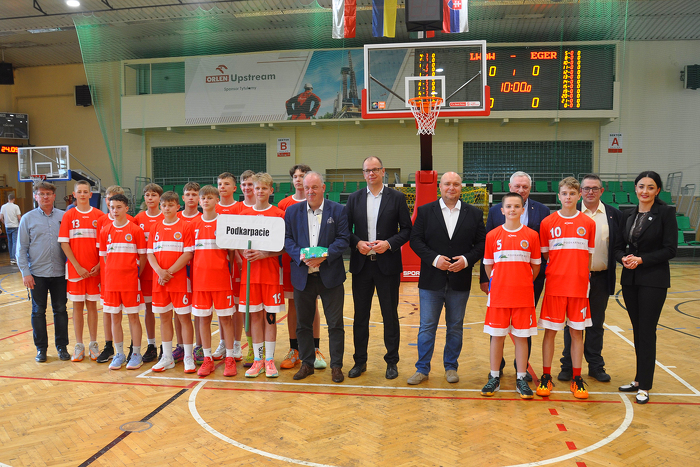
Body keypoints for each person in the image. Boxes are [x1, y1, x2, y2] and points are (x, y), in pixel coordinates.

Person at [407, 172, 486, 385]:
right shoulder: (425, 211)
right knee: (427, 327)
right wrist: (435, 259)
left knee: (455, 327)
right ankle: (422, 369)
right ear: (440, 187)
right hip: (431, 280)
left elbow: (482, 244)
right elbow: (415, 240)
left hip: (460, 281)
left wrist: (466, 260)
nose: (452, 187)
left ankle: (451, 367)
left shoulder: (474, 214)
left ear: (461, 188)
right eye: (447, 184)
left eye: (456, 184)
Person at [344, 156, 412, 380]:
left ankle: (392, 362)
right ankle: (359, 361)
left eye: (375, 169)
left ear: (383, 171)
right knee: (360, 316)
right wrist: (357, 243)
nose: (371, 173)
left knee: (390, 316)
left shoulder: (397, 198)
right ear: (363, 174)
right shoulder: (354, 198)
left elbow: (407, 230)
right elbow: (345, 230)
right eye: (367, 170)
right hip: (362, 266)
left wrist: (389, 244)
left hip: (387, 265)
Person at [480, 171, 550, 381]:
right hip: (500, 283)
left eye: (525, 187)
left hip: (528, 283)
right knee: (497, 330)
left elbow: (539, 255)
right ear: (510, 187)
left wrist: (528, 279)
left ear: (530, 188)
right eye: (517, 186)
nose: (521, 190)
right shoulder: (495, 211)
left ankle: (522, 370)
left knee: (523, 329)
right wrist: (488, 280)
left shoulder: (543, 210)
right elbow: (488, 252)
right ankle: (497, 368)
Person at [614, 171, 677, 404]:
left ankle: (645, 386)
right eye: (641, 186)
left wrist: (641, 260)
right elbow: (618, 247)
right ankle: (639, 379)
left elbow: (670, 249)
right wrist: (623, 258)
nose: (645, 191)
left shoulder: (666, 213)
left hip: (653, 280)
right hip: (630, 280)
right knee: (638, 331)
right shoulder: (628, 215)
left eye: (650, 187)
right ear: (635, 188)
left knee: (647, 331)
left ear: (657, 190)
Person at [285, 171, 350, 383]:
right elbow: (287, 240)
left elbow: (343, 239)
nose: (310, 191)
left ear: (323, 188)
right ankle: (307, 364)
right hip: (303, 276)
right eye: (307, 188)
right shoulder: (292, 211)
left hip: (330, 276)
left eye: (314, 187)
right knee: (303, 324)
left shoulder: (338, 210)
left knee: (335, 324)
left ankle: (336, 366)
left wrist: (325, 255)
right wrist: (302, 256)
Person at [558, 174, 622, 383]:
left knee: (596, 324)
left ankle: (595, 366)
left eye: (595, 188)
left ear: (601, 191)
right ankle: (568, 366)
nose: (590, 192)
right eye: (586, 188)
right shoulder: (570, 213)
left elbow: (618, 246)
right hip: (574, 279)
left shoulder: (614, 215)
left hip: (600, 277)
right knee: (572, 324)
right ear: (580, 192)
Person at [536, 177, 596, 400]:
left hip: (579, 287)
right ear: (559, 196)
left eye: (572, 193)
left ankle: (577, 378)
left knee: (576, 333)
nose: (568, 197)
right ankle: (546, 376)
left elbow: (589, 256)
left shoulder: (588, 223)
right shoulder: (547, 223)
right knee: (550, 332)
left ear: (579, 195)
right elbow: (546, 255)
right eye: (564, 193)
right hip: (555, 286)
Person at [277, 164, 327, 371]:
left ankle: (315, 349)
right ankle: (294, 349)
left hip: (315, 263)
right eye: (295, 176)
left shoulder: (317, 203)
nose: (298, 179)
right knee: (293, 306)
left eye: (302, 176)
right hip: (293, 263)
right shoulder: (284, 204)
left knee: (312, 305)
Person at [239, 173, 285, 378]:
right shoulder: (244, 216)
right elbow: (236, 243)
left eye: (264, 188)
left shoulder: (279, 215)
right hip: (250, 276)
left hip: (271, 275)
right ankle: (258, 360)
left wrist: (265, 254)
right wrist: (243, 252)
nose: (260, 191)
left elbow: (285, 246)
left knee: (270, 317)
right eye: (257, 188)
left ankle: (269, 360)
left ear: (271, 190)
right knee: (255, 316)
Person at [17, 182, 68, 362]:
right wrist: (25, 272)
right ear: (36, 196)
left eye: (48, 194)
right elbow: (21, 248)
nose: (45, 197)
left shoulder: (64, 216)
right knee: (38, 311)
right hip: (37, 274)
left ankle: (62, 347)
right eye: (41, 194)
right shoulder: (27, 219)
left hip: (60, 273)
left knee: (60, 310)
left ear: (54, 196)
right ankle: (41, 349)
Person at [191, 185, 237, 378]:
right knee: (203, 319)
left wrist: (224, 268)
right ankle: (207, 358)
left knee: (225, 319)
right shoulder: (193, 225)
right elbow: (190, 254)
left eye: (210, 198)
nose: (206, 201)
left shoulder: (224, 223)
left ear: (217, 200)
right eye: (203, 198)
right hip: (200, 282)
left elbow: (232, 253)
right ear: (199, 201)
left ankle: (230, 358)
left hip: (221, 281)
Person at [147, 191, 195, 373]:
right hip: (159, 281)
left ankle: (188, 356)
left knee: (184, 318)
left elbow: (188, 253)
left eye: (170, 205)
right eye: (164, 205)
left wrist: (169, 272)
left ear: (178, 207)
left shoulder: (185, 226)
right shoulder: (155, 227)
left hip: (179, 281)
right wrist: (160, 272)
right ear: (161, 206)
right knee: (164, 318)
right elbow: (150, 253)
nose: (167, 208)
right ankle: (167, 357)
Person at [58, 180, 105, 362]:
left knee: (92, 306)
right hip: (75, 270)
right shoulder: (69, 215)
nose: (83, 194)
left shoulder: (99, 216)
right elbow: (64, 244)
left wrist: (99, 265)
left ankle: (93, 344)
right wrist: (77, 266)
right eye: (80, 191)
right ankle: (79, 345)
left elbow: (104, 245)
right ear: (74, 194)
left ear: (91, 195)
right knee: (77, 307)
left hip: (94, 271)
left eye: (86, 191)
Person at [99, 194, 147, 370]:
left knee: (133, 317)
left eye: (119, 207)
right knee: (115, 318)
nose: (115, 210)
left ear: (126, 209)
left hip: (130, 282)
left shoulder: (135, 230)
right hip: (112, 283)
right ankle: (119, 354)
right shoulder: (105, 231)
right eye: (112, 207)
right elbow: (105, 258)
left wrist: (134, 274)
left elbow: (143, 257)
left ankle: (136, 354)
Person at [94, 186, 135, 363]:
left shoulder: (132, 223)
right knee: (109, 312)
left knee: (132, 314)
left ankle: (134, 349)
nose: (115, 208)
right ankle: (110, 346)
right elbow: (102, 252)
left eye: (118, 202)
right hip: (109, 276)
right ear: (107, 201)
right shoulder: (102, 222)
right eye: (110, 200)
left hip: (128, 277)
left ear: (125, 205)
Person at [134, 183, 164, 363]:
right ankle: (151, 344)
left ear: (160, 198)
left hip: (163, 271)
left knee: (167, 311)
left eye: (154, 195)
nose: (150, 198)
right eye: (147, 195)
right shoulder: (138, 218)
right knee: (149, 309)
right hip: (145, 271)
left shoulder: (166, 216)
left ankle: (168, 346)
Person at [213, 172, 241, 364]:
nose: (222, 187)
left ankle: (236, 343)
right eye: (220, 184)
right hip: (219, 266)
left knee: (236, 306)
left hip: (236, 264)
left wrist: (237, 257)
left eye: (226, 184)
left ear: (234, 188)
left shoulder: (240, 208)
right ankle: (223, 342)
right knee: (221, 307)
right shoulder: (213, 207)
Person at [178, 182, 202, 364]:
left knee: (200, 311)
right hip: (179, 271)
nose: (191, 197)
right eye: (188, 194)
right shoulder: (175, 218)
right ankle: (180, 346)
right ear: (183, 197)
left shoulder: (203, 218)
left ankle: (199, 346)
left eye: (195, 194)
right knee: (179, 311)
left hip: (198, 270)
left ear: (199, 198)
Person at [1, 192, 22, 265]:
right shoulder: (16, 207)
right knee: (15, 242)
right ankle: (14, 258)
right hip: (15, 225)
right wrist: (22, 224)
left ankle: (11, 257)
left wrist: (4, 223)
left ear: (8, 199)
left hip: (7, 226)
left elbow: (1, 217)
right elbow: (19, 217)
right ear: (14, 199)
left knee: (9, 242)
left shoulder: (3, 206)